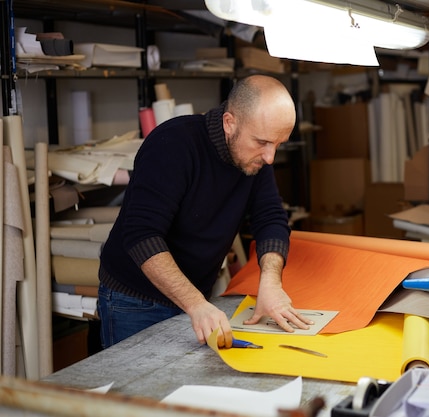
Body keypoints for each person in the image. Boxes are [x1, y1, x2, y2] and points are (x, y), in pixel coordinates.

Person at [97, 74, 313, 349]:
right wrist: (196, 303)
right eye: (262, 142)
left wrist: (270, 282)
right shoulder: (172, 145)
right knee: (136, 390)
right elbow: (141, 236)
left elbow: (270, 217)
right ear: (229, 123)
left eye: (278, 144)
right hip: (135, 301)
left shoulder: (255, 159)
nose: (270, 157)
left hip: (194, 297)